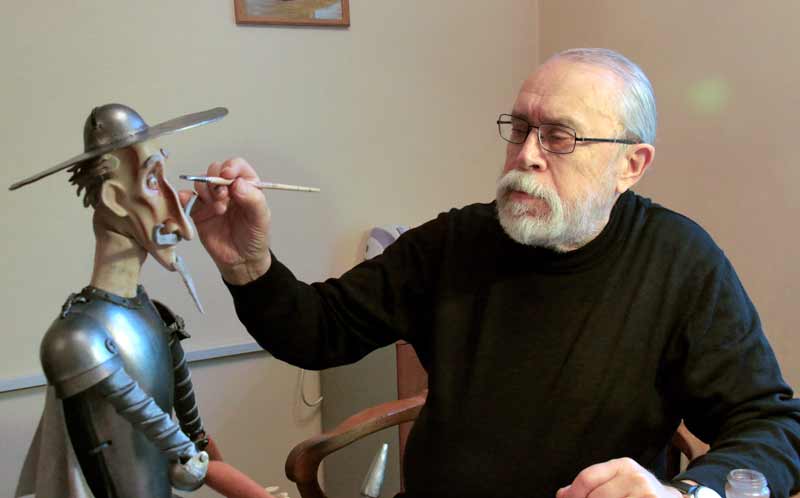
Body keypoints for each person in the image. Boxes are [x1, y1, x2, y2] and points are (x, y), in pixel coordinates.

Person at [185, 48, 800, 498]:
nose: (526, 154)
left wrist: (687, 493)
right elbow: (317, 332)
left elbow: (770, 424)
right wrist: (248, 263)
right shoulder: (457, 241)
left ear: (630, 165)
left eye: (559, 137)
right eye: (521, 128)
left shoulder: (680, 260)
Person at [12, 104, 222, 498]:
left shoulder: (156, 316)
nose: (182, 222)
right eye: (153, 180)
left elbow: (195, 447)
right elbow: (184, 457)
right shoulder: (76, 340)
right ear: (114, 199)